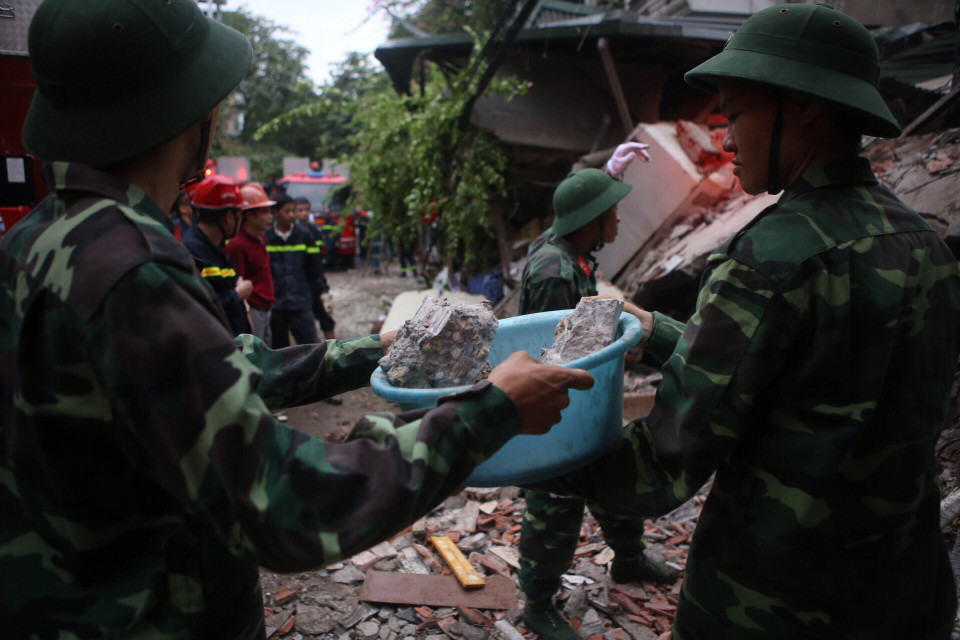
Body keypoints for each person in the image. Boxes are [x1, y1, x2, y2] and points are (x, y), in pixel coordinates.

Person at [0, 1, 594, 637]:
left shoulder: (38, 238)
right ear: (194, 114)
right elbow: (284, 504)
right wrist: (490, 411)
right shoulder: (132, 269)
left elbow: (225, 371)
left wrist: (379, 350)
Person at [535, 4, 960, 638]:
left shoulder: (770, 257)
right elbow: (815, 382)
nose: (728, 140)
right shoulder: (925, 243)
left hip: (770, 602)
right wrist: (659, 332)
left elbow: (661, 466)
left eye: (735, 115)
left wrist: (503, 437)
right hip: (906, 595)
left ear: (805, 106)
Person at [517, 156, 676, 640]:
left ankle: (629, 559)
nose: (619, 220)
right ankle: (537, 603)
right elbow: (555, 352)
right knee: (556, 500)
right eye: (612, 213)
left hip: (585, 399)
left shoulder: (570, 252)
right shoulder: (554, 270)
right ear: (591, 222)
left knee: (614, 474)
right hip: (558, 405)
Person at [182, 173, 253, 336]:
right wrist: (238, 293)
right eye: (239, 215)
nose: (240, 222)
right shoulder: (193, 251)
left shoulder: (215, 245)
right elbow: (200, 306)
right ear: (229, 217)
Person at [265, 194, 325, 348]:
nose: (292, 215)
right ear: (275, 213)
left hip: (301, 303)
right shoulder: (266, 237)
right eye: (287, 211)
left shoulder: (304, 235)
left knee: (311, 349)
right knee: (279, 351)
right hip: (276, 306)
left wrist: (319, 293)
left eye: (293, 211)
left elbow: (315, 269)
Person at [226, 181, 276, 343]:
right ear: (249, 215)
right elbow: (236, 282)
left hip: (266, 310)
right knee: (254, 354)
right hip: (252, 311)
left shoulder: (260, 239)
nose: (270, 217)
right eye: (264, 212)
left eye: (269, 211)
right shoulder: (237, 245)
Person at [294, 195, 337, 340]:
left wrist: (323, 287)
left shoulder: (314, 231)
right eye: (300, 210)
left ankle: (334, 349)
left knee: (326, 317)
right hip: (299, 285)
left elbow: (317, 261)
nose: (304, 213)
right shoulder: (292, 233)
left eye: (306, 210)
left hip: (314, 283)